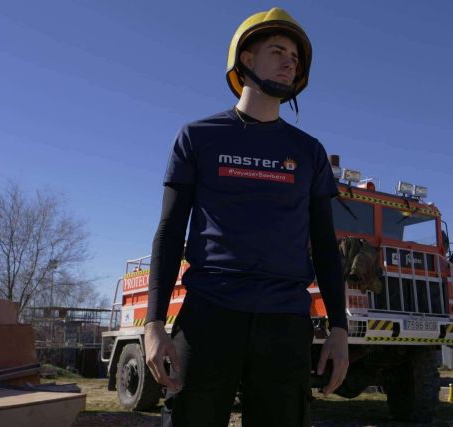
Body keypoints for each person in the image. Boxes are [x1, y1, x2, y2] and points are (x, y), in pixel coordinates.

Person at [142, 8, 349, 426]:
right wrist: (153, 323)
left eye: (295, 56)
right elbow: (169, 231)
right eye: (277, 50)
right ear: (246, 59)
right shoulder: (198, 137)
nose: (290, 61)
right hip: (209, 316)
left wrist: (339, 331)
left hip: (286, 322)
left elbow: (326, 246)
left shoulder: (309, 152)